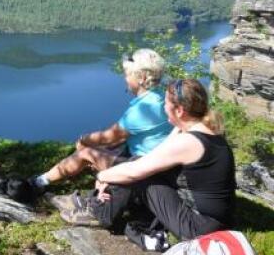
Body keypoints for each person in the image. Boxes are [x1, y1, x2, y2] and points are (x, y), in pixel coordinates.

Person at [64, 79, 236, 242]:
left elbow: (134, 172)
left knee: (140, 176)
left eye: (166, 103)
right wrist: (111, 176)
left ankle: (99, 214)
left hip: (198, 228)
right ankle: (102, 205)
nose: (163, 106)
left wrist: (102, 176)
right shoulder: (202, 130)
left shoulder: (189, 142)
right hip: (213, 221)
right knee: (138, 163)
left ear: (180, 111)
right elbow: (154, 155)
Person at [27, 49, 172, 199]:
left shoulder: (143, 108)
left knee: (85, 153)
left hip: (144, 169)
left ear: (141, 77)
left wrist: (84, 140)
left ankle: (39, 183)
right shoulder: (161, 97)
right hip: (158, 163)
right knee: (103, 149)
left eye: (127, 74)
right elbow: (122, 137)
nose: (125, 78)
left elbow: (109, 137)